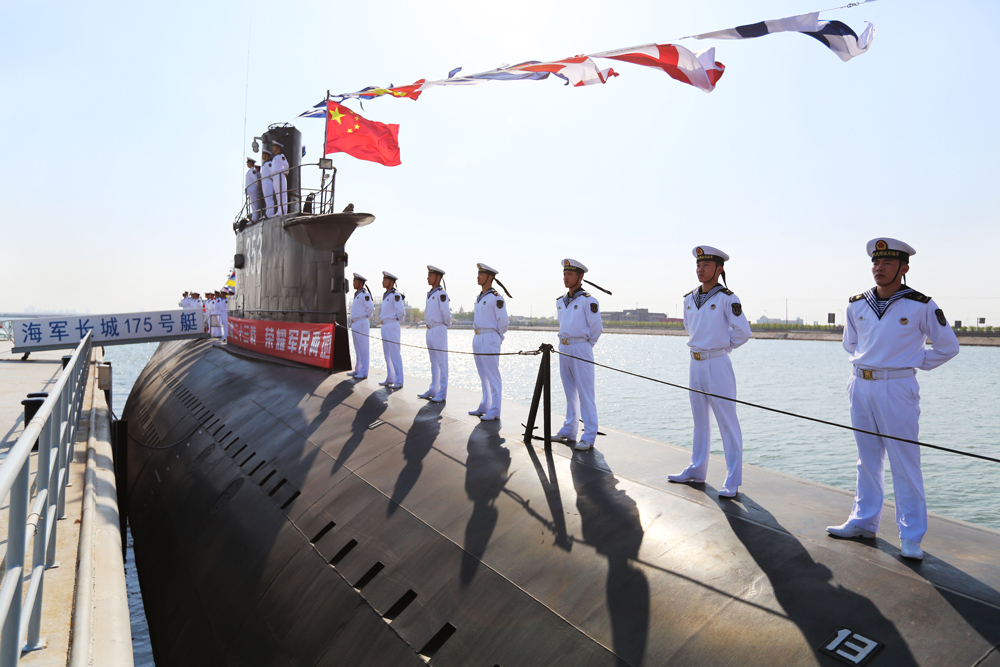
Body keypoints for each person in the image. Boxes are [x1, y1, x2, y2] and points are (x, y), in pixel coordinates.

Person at [827, 238, 959, 560]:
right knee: (867, 459)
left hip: (897, 388)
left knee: (904, 462)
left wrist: (912, 361)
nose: (879, 268)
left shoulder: (920, 305)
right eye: (876, 262)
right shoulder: (857, 304)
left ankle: (911, 536)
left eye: (887, 263)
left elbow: (948, 347)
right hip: (860, 385)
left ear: (904, 268)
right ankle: (863, 522)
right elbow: (850, 344)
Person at [668, 246, 751, 498]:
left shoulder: (727, 298)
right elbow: (689, 328)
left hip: (717, 363)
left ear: (719, 269)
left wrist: (722, 346)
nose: (700, 269)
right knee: (700, 421)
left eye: (706, 265)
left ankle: (732, 480)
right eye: (698, 265)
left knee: (727, 423)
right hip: (695, 363)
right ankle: (696, 469)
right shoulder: (689, 299)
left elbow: (743, 332)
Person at [553, 259, 604, 451]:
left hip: (581, 347)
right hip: (564, 347)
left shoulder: (588, 301)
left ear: (580, 277)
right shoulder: (560, 301)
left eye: (570, 274)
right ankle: (569, 429)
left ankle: (589, 436)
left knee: (585, 393)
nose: (566, 277)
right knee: (569, 392)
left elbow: (596, 328)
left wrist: (585, 346)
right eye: (564, 274)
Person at [470, 263, 510, 421]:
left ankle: (495, 410)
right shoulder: (479, 297)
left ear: (490, 277)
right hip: (478, 336)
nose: (478, 277)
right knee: (483, 374)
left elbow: (504, 323)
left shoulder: (496, 298)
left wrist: (496, 336)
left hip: (489, 337)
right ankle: (485, 404)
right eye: (478, 274)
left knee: (493, 375)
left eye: (481, 274)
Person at [419, 265, 451, 403]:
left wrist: (444, 326)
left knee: (442, 362)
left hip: (438, 328)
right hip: (430, 329)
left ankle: (442, 393)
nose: (428, 278)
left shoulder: (441, 294)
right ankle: (433, 389)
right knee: (434, 362)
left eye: (430, 276)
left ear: (438, 278)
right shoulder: (431, 293)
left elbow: (446, 314)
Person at [378, 271, 405, 388]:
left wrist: (395, 321)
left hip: (392, 325)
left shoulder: (395, 295)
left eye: (385, 280)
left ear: (391, 282)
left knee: (395, 354)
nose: (383, 282)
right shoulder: (387, 295)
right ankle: (390, 377)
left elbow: (401, 312)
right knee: (387, 354)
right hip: (385, 325)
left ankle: (399, 381)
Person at [347, 273, 374, 379]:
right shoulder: (357, 294)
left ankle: (364, 372)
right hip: (355, 323)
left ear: (361, 283)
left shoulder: (364, 294)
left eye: (355, 281)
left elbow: (370, 308)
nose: (353, 283)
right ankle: (358, 369)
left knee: (363, 348)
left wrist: (365, 317)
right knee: (357, 348)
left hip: (361, 323)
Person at [270, 141, 289, 216]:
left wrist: (285, 173)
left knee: (282, 194)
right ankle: (279, 210)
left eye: (274, 146)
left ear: (278, 147)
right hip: (275, 177)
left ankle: (283, 211)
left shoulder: (281, 156)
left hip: (279, 176)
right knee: (278, 194)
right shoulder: (275, 157)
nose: (273, 148)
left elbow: (286, 165)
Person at [245, 157, 263, 222]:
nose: (247, 164)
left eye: (248, 163)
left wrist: (258, 188)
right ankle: (254, 217)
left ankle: (255, 218)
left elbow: (256, 180)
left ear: (250, 163)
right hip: (251, 190)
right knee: (253, 205)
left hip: (253, 190)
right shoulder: (250, 171)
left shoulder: (253, 171)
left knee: (255, 205)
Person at [260, 149, 275, 218]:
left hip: (268, 181)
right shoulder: (265, 164)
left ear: (266, 155)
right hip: (264, 181)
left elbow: (271, 172)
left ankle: (271, 212)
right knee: (266, 198)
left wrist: (270, 180)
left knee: (269, 197)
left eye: (263, 154)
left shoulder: (269, 163)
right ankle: (268, 212)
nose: (262, 156)